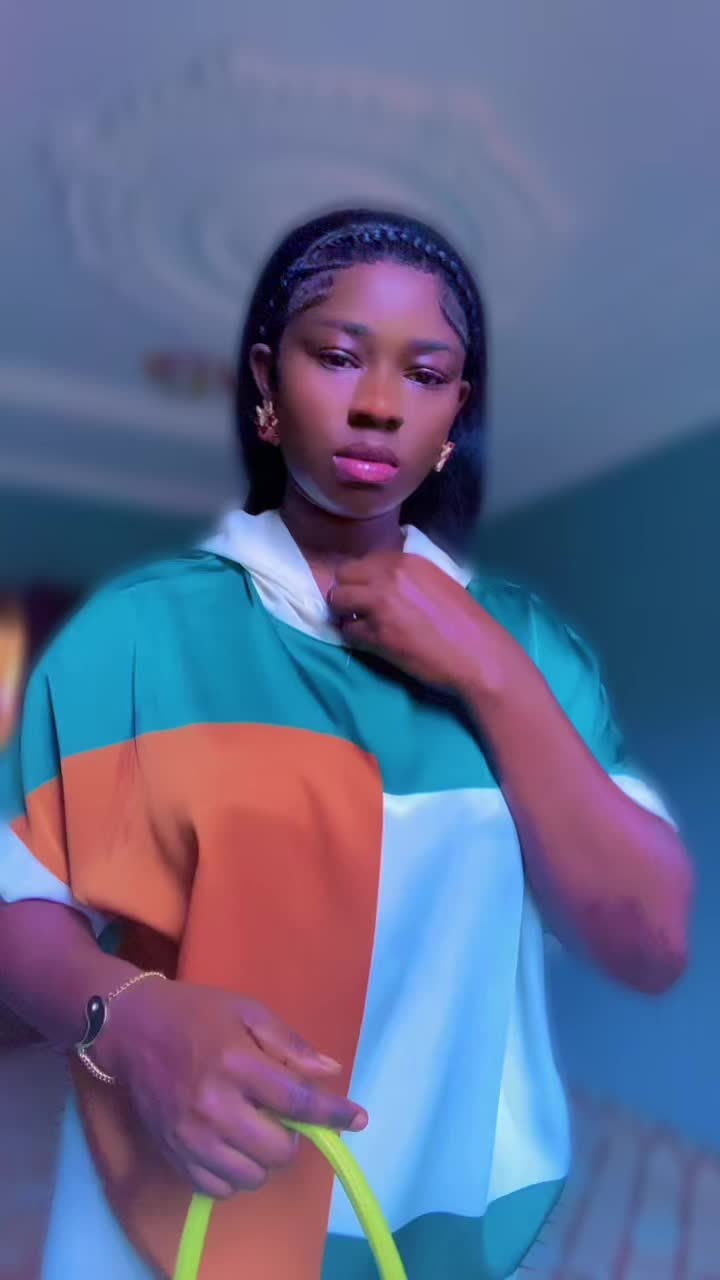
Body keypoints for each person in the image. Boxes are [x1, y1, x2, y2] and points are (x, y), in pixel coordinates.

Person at [0, 208, 693, 1280]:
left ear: (456, 412)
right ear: (266, 385)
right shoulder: (135, 635)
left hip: (445, 1232)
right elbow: (18, 901)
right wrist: (131, 1023)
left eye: (427, 374)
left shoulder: (529, 652)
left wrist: (489, 669)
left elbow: (650, 944)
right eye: (337, 357)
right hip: (167, 1219)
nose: (379, 404)